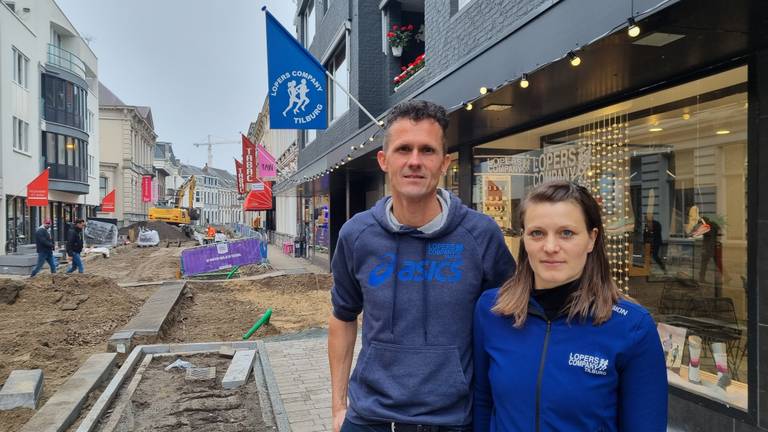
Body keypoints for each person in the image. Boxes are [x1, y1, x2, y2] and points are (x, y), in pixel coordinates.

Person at [329, 100, 515, 432]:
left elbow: (513, 318)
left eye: (427, 150)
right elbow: (343, 316)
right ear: (384, 160)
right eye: (404, 149)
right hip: (369, 417)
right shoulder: (357, 235)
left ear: (445, 162)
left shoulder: (480, 235)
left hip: (452, 421)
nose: (415, 161)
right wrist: (338, 407)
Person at [474, 180, 667, 432]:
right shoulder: (493, 310)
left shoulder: (631, 326)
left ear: (591, 239)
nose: (550, 247)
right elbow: (482, 402)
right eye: (537, 233)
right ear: (524, 239)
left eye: (567, 233)